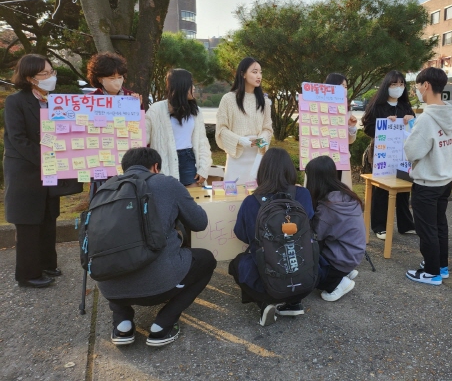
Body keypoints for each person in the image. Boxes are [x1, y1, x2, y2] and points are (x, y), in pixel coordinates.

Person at [97, 147, 216, 347]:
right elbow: (199, 223)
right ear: (155, 167)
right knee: (206, 260)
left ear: (124, 168)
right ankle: (163, 324)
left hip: (109, 287)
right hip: (160, 286)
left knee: (115, 252)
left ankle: (122, 323)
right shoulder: (166, 183)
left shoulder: (105, 189)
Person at [228, 148, 314, 326]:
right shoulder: (303, 195)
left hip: (268, 276)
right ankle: (293, 301)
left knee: (237, 264)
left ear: (262, 172)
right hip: (305, 277)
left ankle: (265, 301)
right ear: (290, 170)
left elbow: (241, 234)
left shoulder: (251, 202)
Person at [4, 54, 61, 288]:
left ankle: (47, 263)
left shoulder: (55, 101)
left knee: (48, 217)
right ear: (29, 78)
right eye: (44, 74)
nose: (50, 78)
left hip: (49, 170)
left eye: (52, 72)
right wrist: (47, 159)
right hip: (25, 172)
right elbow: (17, 139)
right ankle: (27, 275)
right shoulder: (16, 101)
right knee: (28, 223)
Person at [404, 67, 452, 285]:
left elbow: (412, 152)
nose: (417, 90)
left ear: (426, 85)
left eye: (418, 86)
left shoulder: (427, 119)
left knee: (426, 228)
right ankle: (441, 265)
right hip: (445, 179)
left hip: (427, 183)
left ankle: (431, 272)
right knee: (439, 225)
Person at [361, 70, 416, 240]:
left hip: (403, 154)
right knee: (381, 189)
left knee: (403, 188)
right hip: (382, 153)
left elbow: (414, 128)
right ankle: (379, 226)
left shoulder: (405, 106)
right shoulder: (377, 105)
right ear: (387, 86)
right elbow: (367, 127)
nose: (398, 88)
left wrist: (410, 119)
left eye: (401, 84)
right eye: (394, 84)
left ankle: (406, 225)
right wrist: (384, 123)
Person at [305, 156, 365, 302]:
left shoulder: (328, 207)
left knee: (305, 272)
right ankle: (343, 272)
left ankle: (338, 282)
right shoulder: (345, 194)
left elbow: (315, 235)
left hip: (342, 257)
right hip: (354, 252)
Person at [86, 52, 142, 197]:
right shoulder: (90, 100)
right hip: (100, 161)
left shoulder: (131, 98)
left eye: (120, 77)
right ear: (99, 79)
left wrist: (138, 108)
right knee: (102, 200)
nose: (117, 82)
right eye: (112, 78)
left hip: (126, 159)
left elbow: (140, 130)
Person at [146, 69, 212, 187]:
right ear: (181, 86)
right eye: (191, 85)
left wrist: (204, 167)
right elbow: (142, 139)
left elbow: (202, 142)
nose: (194, 88)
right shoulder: (156, 110)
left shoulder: (196, 112)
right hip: (164, 161)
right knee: (167, 199)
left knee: (191, 200)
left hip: (188, 160)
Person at [216, 57, 273, 184]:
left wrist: (262, 140)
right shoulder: (228, 99)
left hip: (257, 156)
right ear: (243, 74)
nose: (259, 76)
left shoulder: (265, 102)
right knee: (233, 196)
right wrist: (241, 140)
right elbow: (221, 129)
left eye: (260, 72)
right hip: (237, 156)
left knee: (256, 195)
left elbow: (267, 128)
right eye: (254, 72)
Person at [324, 73, 357, 187]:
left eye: (346, 87)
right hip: (321, 159)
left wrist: (351, 127)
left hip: (340, 159)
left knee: (338, 190)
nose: (344, 89)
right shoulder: (319, 108)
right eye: (340, 85)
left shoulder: (346, 110)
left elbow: (349, 141)